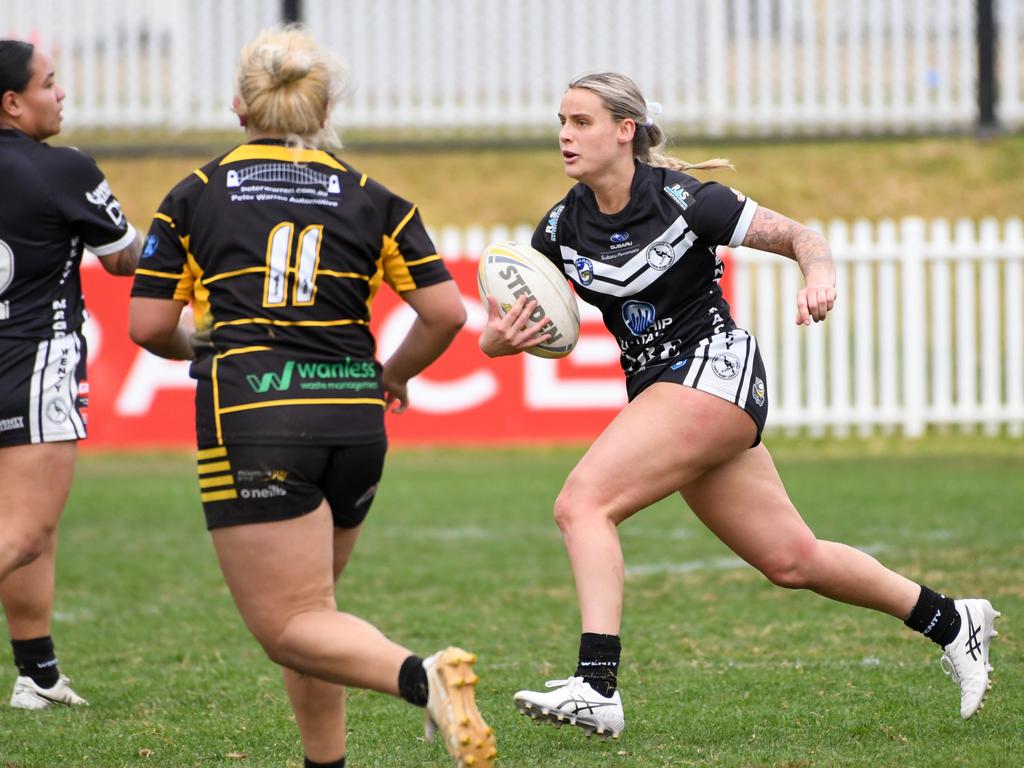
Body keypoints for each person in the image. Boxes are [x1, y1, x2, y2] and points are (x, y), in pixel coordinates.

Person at [479, 71, 1000, 739]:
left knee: (582, 503)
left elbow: (802, 238)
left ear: (624, 131)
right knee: (792, 559)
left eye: (581, 121)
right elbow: (527, 324)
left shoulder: (689, 200)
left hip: (714, 369)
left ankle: (597, 685)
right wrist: (499, 342)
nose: (564, 134)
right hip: (665, 389)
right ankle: (953, 620)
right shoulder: (560, 227)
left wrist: (820, 276)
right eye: (561, 120)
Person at [127, 26, 495, 768]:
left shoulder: (195, 194)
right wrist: (393, 376)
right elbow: (448, 314)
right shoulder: (374, 197)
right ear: (324, 109)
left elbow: (146, 326)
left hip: (256, 418)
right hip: (355, 419)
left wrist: (205, 346)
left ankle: (418, 676)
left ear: (239, 106)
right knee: (314, 619)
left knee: (288, 625)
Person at [0, 40, 141, 709]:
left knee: (28, 529)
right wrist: (193, 228)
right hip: (33, 361)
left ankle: (40, 674)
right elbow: (124, 257)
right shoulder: (62, 169)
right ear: (12, 102)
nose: (62, 96)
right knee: (25, 531)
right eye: (50, 84)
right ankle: (38, 675)